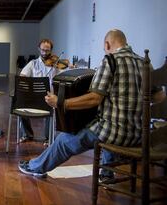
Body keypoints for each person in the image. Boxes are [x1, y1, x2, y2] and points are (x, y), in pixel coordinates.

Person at [18, 29, 166, 179]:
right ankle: (107, 175)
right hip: (138, 134)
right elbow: (159, 97)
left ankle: (35, 167)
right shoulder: (145, 63)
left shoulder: (111, 60)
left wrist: (61, 102)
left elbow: (94, 98)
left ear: (107, 44)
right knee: (111, 122)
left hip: (114, 134)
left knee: (64, 140)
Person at [19, 39, 62, 142]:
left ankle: (48, 137)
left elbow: (64, 75)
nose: (44, 53)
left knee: (52, 105)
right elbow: (22, 76)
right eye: (42, 50)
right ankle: (27, 134)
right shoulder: (33, 63)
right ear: (39, 49)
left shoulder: (56, 64)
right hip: (34, 97)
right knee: (20, 105)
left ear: (51, 50)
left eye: (47, 51)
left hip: (49, 97)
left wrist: (69, 67)